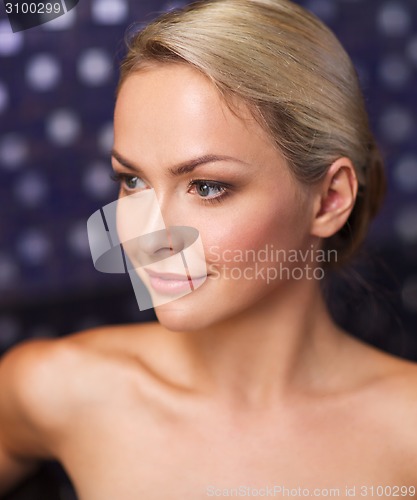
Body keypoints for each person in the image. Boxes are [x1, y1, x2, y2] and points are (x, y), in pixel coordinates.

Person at [1, 0, 417, 498]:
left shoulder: (406, 432)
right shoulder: (57, 390)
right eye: (132, 180)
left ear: (329, 199)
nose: (144, 236)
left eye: (207, 186)